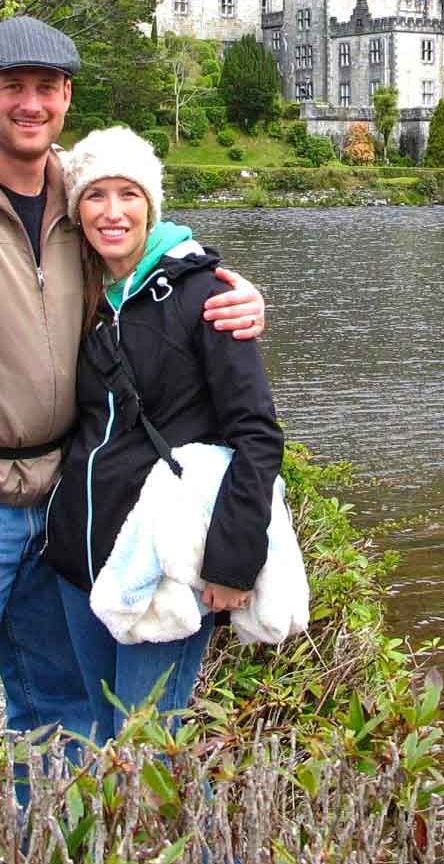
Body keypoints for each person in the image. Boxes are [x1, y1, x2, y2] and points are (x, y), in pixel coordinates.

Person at [0, 17, 267, 771]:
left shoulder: (75, 197)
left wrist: (235, 292)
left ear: (66, 96)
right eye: (11, 87)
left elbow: (152, 252)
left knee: (60, 717)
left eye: (46, 88)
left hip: (57, 511)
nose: (30, 103)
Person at [45, 126, 285, 744]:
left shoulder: (205, 294)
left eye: (130, 194)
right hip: (82, 558)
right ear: (77, 211)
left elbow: (257, 433)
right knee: (98, 733)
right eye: (96, 196)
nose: (114, 212)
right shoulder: (83, 292)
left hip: (165, 564)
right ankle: (110, 845)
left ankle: (195, 846)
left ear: (152, 203)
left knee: (147, 741)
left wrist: (234, 562)